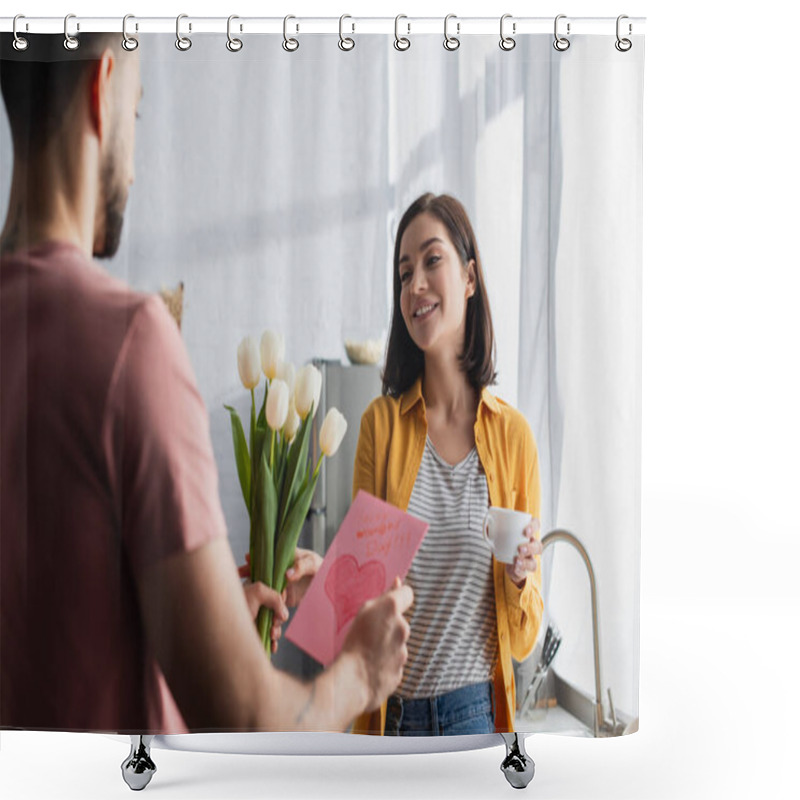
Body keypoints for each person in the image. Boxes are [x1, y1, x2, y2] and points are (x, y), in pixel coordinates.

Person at [0, 33, 412, 735]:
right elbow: (249, 717)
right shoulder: (130, 343)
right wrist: (358, 675)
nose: (133, 167)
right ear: (104, 89)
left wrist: (202, 610)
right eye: (138, 114)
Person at [351, 193, 544, 736]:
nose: (415, 286)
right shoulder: (380, 426)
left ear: (469, 278)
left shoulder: (513, 437)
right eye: (403, 272)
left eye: (432, 261)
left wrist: (518, 578)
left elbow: (525, 638)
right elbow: (359, 606)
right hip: (391, 718)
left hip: (476, 719)